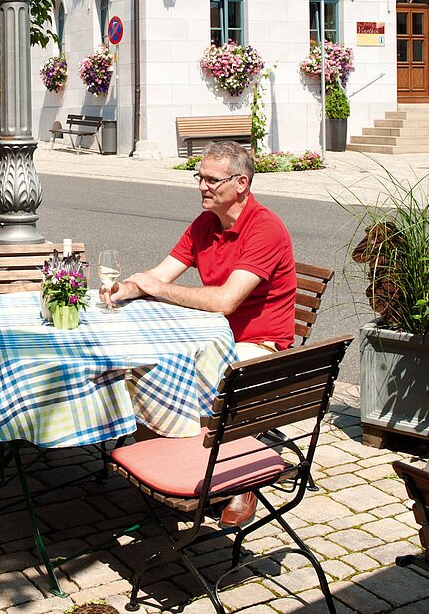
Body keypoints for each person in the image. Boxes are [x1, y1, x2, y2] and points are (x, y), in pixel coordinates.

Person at [103, 140, 297, 527]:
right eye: (200, 177)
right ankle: (168, 458)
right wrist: (131, 287)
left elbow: (226, 301)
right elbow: (163, 274)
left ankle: (239, 478)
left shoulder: (265, 229)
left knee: (172, 373)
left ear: (241, 183)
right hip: (208, 340)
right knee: (143, 368)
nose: (202, 187)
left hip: (257, 346)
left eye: (212, 180)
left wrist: (157, 289)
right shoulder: (206, 223)